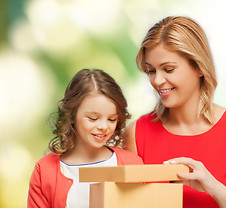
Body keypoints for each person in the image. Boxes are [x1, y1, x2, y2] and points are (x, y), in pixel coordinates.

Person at [125, 16, 226, 208]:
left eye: (168, 69)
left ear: (199, 67)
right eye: (151, 71)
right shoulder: (136, 134)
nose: (157, 81)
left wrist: (214, 188)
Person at [28, 68, 143, 208]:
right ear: (72, 116)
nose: (103, 126)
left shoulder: (132, 164)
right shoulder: (45, 170)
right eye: (93, 118)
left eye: (112, 119)